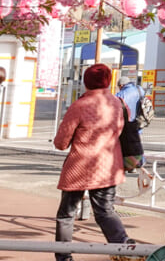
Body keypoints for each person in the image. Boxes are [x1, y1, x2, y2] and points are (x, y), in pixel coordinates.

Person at [52, 63, 132, 261]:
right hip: (107, 165)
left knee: (66, 214)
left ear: (86, 82)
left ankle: (64, 257)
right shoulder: (117, 103)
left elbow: (61, 142)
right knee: (105, 211)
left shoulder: (79, 106)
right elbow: (121, 130)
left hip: (79, 167)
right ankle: (123, 246)